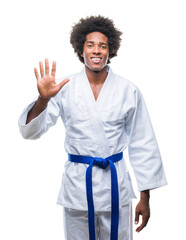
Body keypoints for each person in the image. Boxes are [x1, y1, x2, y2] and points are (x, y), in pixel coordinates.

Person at [18, 16, 167, 240]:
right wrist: (43, 100)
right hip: (78, 189)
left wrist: (145, 197)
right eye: (90, 45)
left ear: (110, 51)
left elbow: (142, 142)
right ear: (81, 50)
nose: (96, 50)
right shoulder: (64, 88)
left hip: (115, 189)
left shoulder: (128, 90)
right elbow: (30, 132)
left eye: (102, 45)